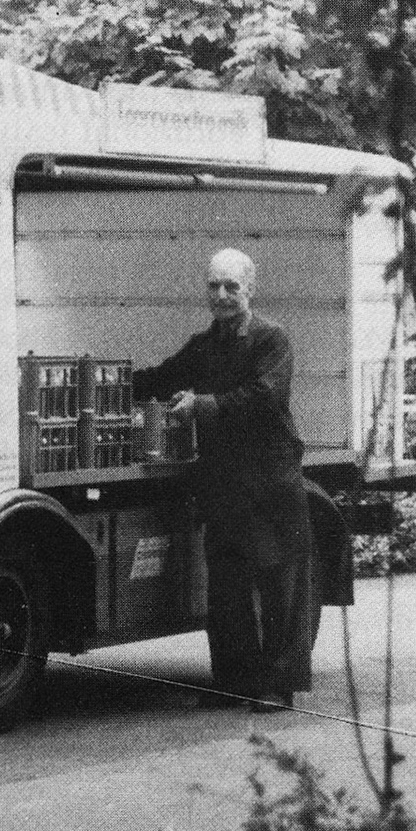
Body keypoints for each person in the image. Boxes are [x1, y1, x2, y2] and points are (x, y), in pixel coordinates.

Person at [134, 248, 316, 710]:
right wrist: (111, 382)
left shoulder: (271, 339)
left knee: (279, 583)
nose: (222, 295)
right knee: (228, 584)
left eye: (232, 287)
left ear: (250, 289)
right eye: (214, 286)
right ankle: (235, 681)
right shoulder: (204, 344)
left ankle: (279, 685)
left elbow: (265, 397)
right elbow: (160, 377)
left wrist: (204, 405)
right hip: (224, 482)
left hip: (271, 478)